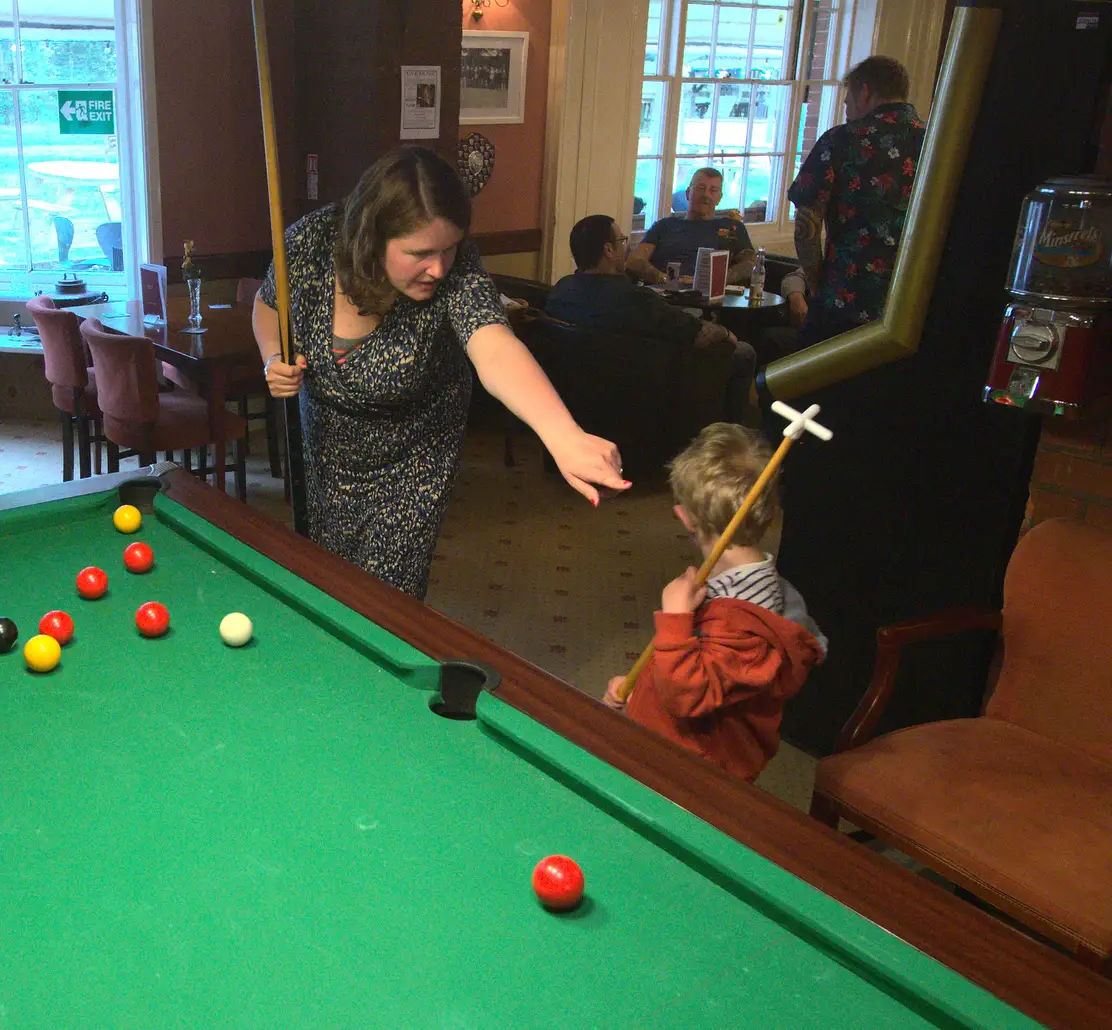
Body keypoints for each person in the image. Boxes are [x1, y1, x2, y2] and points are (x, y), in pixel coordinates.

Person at [255, 146, 629, 598]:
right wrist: (273, 357)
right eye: (420, 253)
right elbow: (268, 303)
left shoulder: (459, 271)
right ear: (372, 238)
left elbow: (494, 346)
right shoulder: (311, 240)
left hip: (412, 461)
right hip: (327, 445)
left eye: (449, 249)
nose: (438, 267)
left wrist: (562, 434)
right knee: (328, 581)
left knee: (383, 599)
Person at [603, 423, 826, 782]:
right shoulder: (748, 588)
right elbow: (700, 671)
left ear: (684, 517)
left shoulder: (745, 624)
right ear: (769, 512)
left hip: (692, 775)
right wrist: (643, 691)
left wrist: (675, 619)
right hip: (681, 743)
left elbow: (687, 697)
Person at [545, 214, 756, 425]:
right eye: (622, 241)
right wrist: (728, 334)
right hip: (648, 398)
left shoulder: (560, 292)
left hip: (577, 400)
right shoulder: (637, 300)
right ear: (609, 250)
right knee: (744, 353)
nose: (625, 247)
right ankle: (731, 442)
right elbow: (697, 333)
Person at [788, 55, 926, 343]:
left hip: (845, 299)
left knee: (815, 381)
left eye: (848, 99)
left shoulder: (841, 140)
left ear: (864, 91)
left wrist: (816, 285)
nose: (847, 108)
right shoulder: (934, 142)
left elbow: (806, 226)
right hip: (913, 302)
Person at [628, 168, 756, 286]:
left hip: (709, 298)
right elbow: (635, 260)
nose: (706, 195)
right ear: (688, 193)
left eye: (713, 190)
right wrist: (665, 279)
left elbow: (750, 264)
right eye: (701, 188)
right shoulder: (664, 225)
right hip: (663, 295)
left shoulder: (732, 227)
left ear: (719, 198)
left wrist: (711, 281)